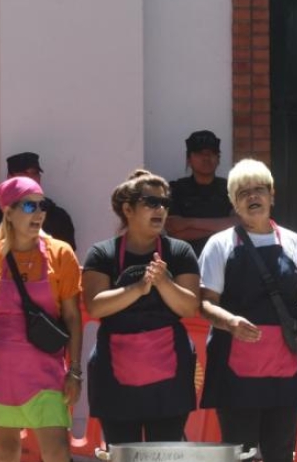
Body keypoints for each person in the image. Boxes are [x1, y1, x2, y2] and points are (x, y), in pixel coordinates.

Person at [198, 160, 297, 462]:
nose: (253, 197)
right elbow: (203, 302)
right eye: (243, 192)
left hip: (285, 365)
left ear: (272, 195)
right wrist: (229, 321)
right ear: (233, 202)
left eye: (259, 190)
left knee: (281, 452)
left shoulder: (293, 242)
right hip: (235, 369)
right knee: (241, 454)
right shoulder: (219, 245)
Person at [83, 171, 201, 443]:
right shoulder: (102, 253)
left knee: (166, 456)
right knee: (123, 453)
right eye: (151, 202)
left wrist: (164, 282)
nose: (160, 209)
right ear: (128, 209)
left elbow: (188, 307)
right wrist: (138, 288)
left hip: (170, 376)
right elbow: (95, 306)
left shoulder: (180, 252)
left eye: (164, 203)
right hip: (115, 376)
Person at [0, 177, 83, 462]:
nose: (39, 213)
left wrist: (75, 372)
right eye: (30, 205)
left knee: (58, 453)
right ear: (8, 212)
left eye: (43, 206)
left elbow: (73, 317)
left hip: (46, 374)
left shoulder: (60, 253)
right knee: (6, 454)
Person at [0, 153, 77, 250]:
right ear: (9, 177)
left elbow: (66, 260)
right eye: (22, 174)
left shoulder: (58, 218)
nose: (29, 178)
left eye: (34, 173)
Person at [167, 130, 235, 254]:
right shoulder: (176, 189)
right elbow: (174, 231)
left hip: (224, 257)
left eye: (212, 153)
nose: (206, 158)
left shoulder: (230, 188)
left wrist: (189, 222)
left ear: (218, 159)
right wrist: (223, 226)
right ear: (189, 159)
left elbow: (239, 224)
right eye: (199, 153)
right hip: (187, 260)